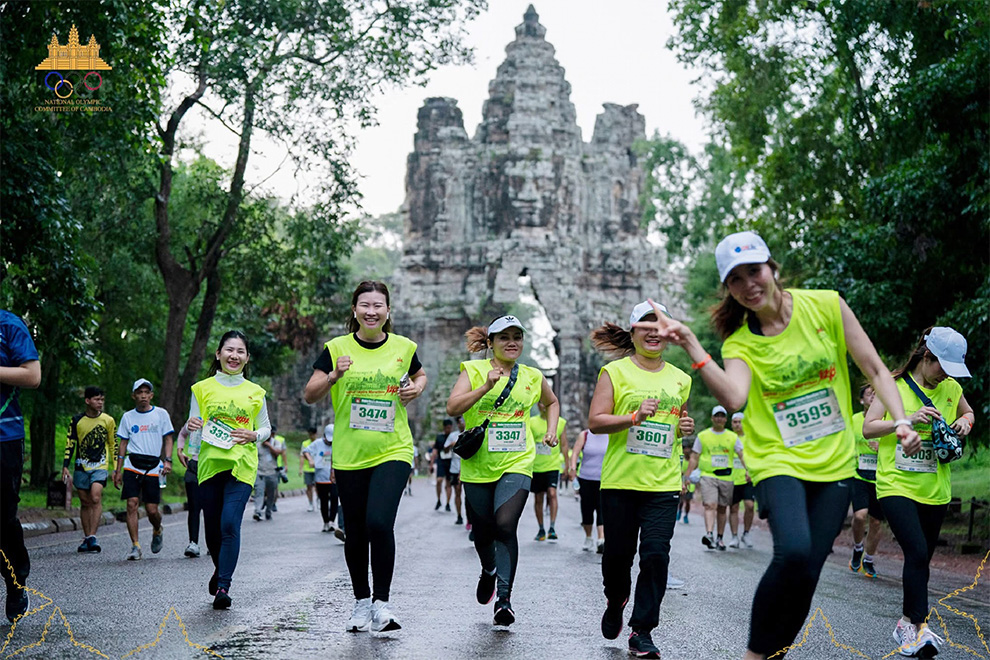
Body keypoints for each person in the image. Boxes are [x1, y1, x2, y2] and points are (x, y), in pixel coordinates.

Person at [638, 230, 919, 660]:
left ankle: (775, 652)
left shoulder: (826, 305)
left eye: (755, 271)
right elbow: (734, 398)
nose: (749, 284)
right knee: (793, 553)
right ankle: (755, 654)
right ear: (728, 289)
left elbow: (876, 369)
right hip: (777, 459)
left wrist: (900, 420)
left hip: (834, 462)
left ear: (773, 268)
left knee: (808, 571)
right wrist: (692, 344)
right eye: (736, 279)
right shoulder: (740, 342)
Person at [303, 280, 426, 633]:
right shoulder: (335, 348)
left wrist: (415, 389)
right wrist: (334, 375)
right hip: (350, 454)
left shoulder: (404, 347)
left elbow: (420, 376)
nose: (371, 312)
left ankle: (382, 605)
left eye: (378, 306)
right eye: (365, 305)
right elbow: (310, 394)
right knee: (355, 531)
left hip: (393, 449)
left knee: (378, 523)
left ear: (388, 311)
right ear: (355, 310)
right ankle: (361, 602)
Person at [588, 300, 694, 660]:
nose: (652, 331)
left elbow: (672, 429)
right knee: (618, 557)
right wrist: (632, 417)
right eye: (644, 325)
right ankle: (616, 598)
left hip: (663, 485)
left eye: (658, 325)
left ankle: (642, 630)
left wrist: (683, 429)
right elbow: (596, 421)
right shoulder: (614, 373)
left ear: (667, 333)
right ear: (632, 332)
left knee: (655, 556)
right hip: (620, 482)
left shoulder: (682, 379)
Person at [864, 326, 974, 657]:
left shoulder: (952, 387)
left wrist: (966, 422)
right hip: (896, 483)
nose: (946, 377)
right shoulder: (893, 387)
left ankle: (905, 624)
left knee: (922, 557)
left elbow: (967, 412)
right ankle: (920, 627)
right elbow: (868, 426)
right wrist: (906, 419)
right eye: (943, 367)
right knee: (914, 550)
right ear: (927, 357)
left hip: (936, 488)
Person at [446, 315, 559, 626]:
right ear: (491, 343)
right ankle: (489, 569)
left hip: (517, 461)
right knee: (482, 531)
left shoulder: (533, 376)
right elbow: (453, 407)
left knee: (505, 525)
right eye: (504, 337)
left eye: (517, 337)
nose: (512, 342)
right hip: (478, 465)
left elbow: (552, 403)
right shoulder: (473, 370)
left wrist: (550, 429)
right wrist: (485, 386)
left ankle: (504, 600)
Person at [187, 330, 271, 610]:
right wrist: (190, 442)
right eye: (229, 350)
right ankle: (219, 568)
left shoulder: (256, 392)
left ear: (247, 358)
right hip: (210, 465)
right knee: (211, 531)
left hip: (241, 466)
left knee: (228, 524)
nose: (234, 356)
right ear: (218, 354)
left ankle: (224, 585)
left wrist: (254, 436)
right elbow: (195, 424)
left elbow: (266, 428)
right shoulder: (201, 388)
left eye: (240, 352)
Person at [0, 310, 41, 622]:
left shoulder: (9, 325)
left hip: (4, 439)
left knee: (3, 519)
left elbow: (32, 375)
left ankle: (15, 583)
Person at [113, 379, 174, 561]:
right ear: (134, 396)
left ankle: (157, 528)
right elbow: (122, 443)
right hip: (132, 464)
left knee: (152, 510)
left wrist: (168, 460)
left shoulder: (161, 414)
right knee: (131, 503)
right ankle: (135, 546)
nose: (143, 396)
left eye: (146, 392)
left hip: (154, 466)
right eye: (139, 393)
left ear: (151, 395)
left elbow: (169, 438)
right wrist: (118, 470)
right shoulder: (128, 417)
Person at [62, 386, 116, 554]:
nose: (100, 403)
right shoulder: (77, 420)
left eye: (102, 400)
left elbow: (113, 444)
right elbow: (70, 443)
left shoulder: (108, 420)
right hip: (81, 465)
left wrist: (116, 468)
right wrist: (65, 465)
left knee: (95, 496)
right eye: (96, 399)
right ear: (87, 401)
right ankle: (87, 538)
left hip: (100, 465)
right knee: (85, 501)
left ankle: (93, 536)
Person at [684, 405, 744, 551]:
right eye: (716, 415)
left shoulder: (732, 437)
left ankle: (720, 538)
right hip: (708, 476)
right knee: (710, 505)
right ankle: (709, 534)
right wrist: (687, 475)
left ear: (725, 419)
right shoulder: (703, 436)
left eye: (722, 416)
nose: (719, 418)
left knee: (723, 508)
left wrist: (749, 471)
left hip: (726, 477)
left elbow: (742, 455)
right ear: (712, 418)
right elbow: (694, 457)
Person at [849, 385, 882, 577]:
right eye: (870, 394)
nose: (873, 397)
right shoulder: (854, 420)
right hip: (858, 474)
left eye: (876, 394)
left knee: (876, 522)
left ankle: (869, 560)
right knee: (860, 515)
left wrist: (882, 447)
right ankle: (858, 547)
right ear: (862, 400)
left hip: (880, 476)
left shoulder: (887, 420)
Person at [528, 403, 568, 542]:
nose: (543, 406)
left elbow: (564, 445)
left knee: (552, 493)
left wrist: (567, 466)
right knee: (538, 498)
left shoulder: (560, 422)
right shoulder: (532, 422)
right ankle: (541, 529)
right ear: (538, 405)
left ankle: (552, 527)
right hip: (536, 466)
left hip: (553, 465)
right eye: (540, 403)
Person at [569, 427, 607, 553]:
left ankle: (601, 539)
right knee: (587, 508)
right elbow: (575, 453)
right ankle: (588, 537)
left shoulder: (611, 434)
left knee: (602, 508)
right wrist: (573, 468)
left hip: (604, 479)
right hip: (586, 478)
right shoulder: (585, 435)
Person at [175, 421, 203, 558]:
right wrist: (179, 450)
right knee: (194, 507)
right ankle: (193, 543)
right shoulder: (195, 419)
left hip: (214, 467)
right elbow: (182, 433)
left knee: (213, 509)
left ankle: (214, 542)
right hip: (195, 466)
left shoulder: (220, 417)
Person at [728, 412, 755, 549]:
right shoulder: (729, 438)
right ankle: (734, 536)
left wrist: (751, 471)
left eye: (740, 422)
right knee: (733, 507)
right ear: (731, 424)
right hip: (731, 478)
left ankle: (746, 533)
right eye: (735, 422)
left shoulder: (750, 439)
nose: (737, 424)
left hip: (747, 477)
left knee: (750, 505)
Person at [253, 425, 285, 522]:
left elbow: (278, 452)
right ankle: (257, 511)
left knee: (271, 494)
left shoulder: (276, 442)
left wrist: (269, 445)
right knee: (259, 492)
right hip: (260, 472)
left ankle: (268, 510)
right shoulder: (257, 444)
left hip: (272, 472)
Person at [432, 419, 454, 511]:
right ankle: (438, 500)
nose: (448, 430)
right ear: (444, 428)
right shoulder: (440, 437)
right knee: (439, 480)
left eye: (450, 428)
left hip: (451, 462)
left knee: (448, 483)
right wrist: (431, 463)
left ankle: (448, 503)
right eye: (447, 428)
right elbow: (435, 450)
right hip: (441, 461)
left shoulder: (454, 437)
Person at [446, 416, 465, 524]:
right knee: (457, 491)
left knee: (469, 495)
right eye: (459, 422)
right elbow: (444, 449)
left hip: (467, 467)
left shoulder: (471, 432)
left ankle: (471, 519)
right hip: (455, 467)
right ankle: (459, 516)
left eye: (462, 422)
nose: (461, 424)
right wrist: (451, 445)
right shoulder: (453, 436)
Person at [676, 436, 696, 526]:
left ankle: (686, 515)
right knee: (681, 500)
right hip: (681, 481)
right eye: (684, 448)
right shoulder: (681, 459)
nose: (686, 450)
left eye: (688, 448)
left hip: (690, 483)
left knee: (688, 501)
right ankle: (679, 511)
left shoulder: (693, 460)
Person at [300, 427, 318, 512]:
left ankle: (319, 500)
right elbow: (302, 456)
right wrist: (300, 468)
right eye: (310, 434)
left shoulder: (319, 443)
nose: (311, 436)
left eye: (312, 434)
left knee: (318, 487)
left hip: (318, 468)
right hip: (308, 468)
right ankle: (310, 503)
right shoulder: (305, 443)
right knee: (309, 487)